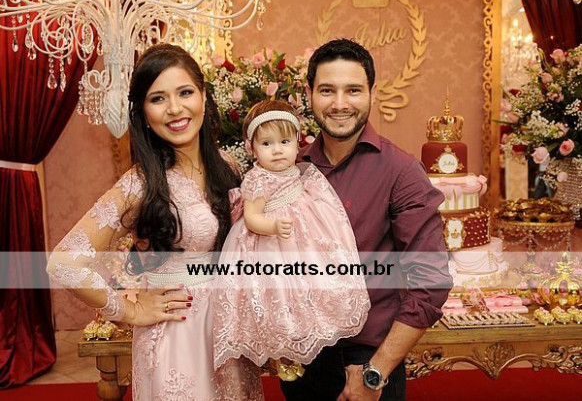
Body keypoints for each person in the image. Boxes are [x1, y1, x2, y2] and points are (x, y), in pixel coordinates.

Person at [47, 44, 264, 400]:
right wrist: (128, 309)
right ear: (144, 113)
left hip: (228, 331)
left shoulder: (229, 167)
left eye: (185, 92)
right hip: (177, 333)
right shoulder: (140, 184)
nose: (175, 108)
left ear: (204, 96)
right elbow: (63, 263)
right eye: (158, 98)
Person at [280, 39, 453, 401]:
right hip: (302, 363)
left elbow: (430, 282)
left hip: (367, 362)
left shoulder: (401, 171)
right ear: (309, 94)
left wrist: (376, 372)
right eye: (327, 90)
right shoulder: (291, 169)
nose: (340, 103)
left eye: (353, 90)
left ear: (373, 92)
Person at [213, 100, 371, 376]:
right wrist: (272, 226)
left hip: (304, 241)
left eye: (284, 142)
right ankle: (286, 343)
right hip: (271, 246)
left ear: (297, 144)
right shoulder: (258, 179)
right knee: (281, 292)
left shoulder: (302, 173)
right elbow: (252, 217)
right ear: (252, 148)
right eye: (267, 144)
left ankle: (314, 324)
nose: (277, 150)